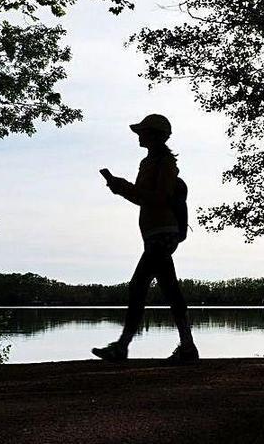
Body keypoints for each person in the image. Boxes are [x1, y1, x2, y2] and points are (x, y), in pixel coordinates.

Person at [92, 113, 198, 363]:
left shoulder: (164, 164)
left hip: (163, 234)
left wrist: (120, 186)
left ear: (155, 135)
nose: (138, 135)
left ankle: (122, 347)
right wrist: (122, 187)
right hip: (155, 234)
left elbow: (155, 197)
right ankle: (188, 348)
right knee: (170, 290)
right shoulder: (149, 162)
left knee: (139, 286)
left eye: (142, 131)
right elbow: (145, 196)